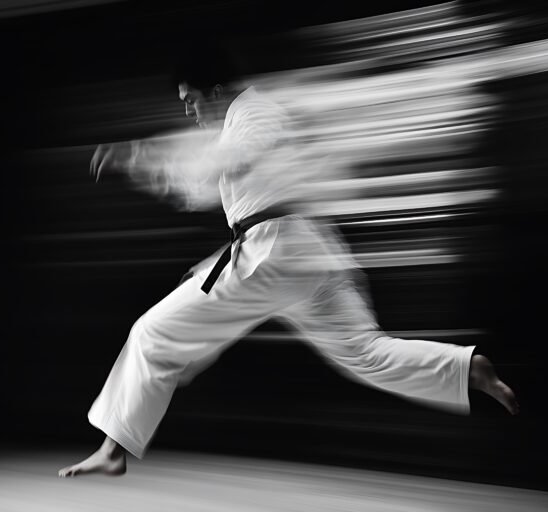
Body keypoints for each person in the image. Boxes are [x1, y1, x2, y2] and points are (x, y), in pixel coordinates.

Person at [57, 43, 519, 478]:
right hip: (303, 257)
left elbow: (230, 164)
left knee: (152, 331)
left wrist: (139, 157)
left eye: (190, 100)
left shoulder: (255, 112)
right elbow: (218, 184)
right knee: (363, 353)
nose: (189, 110)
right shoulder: (246, 118)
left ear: (216, 92)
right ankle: (467, 369)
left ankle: (113, 449)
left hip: (275, 256)